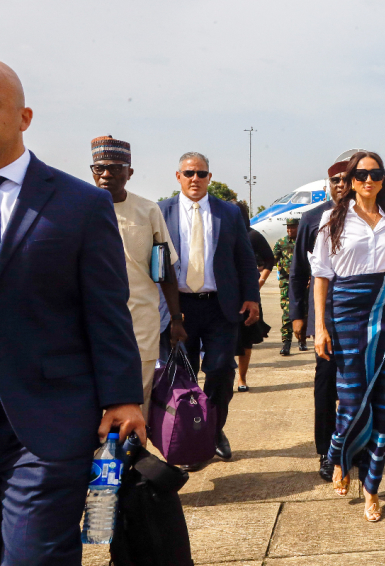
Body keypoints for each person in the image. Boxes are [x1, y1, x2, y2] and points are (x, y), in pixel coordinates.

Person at [0, 61, 146, 564]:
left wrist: (124, 396)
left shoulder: (79, 204)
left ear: (24, 117)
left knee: (31, 556)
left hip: (45, 422)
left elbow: (107, 307)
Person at [311, 151, 385, 523]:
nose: (368, 180)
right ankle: (338, 455)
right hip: (345, 315)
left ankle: (372, 489)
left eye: (375, 174)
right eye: (360, 174)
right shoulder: (332, 219)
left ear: (383, 179)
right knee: (353, 401)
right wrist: (320, 327)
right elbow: (322, 276)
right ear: (351, 180)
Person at [159, 152, 260, 469]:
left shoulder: (228, 213)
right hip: (179, 308)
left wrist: (252, 296)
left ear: (209, 178)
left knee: (220, 370)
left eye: (201, 174)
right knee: (181, 378)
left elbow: (245, 259)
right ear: (178, 176)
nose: (195, 179)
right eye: (189, 173)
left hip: (220, 307)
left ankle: (214, 431)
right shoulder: (161, 212)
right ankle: (188, 437)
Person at [89, 135, 186, 417]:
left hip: (141, 320)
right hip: (93, 321)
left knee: (137, 400)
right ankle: (97, 460)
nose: (107, 174)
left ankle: (132, 458)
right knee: (96, 402)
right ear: (92, 172)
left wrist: (177, 321)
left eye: (116, 167)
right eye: (100, 167)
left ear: (129, 172)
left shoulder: (148, 210)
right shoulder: (79, 209)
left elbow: (164, 270)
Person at [290, 158, 347, 482]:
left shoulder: (365, 216)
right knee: (325, 386)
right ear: (328, 184)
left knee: (357, 387)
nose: (340, 185)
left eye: (345, 179)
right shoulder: (313, 219)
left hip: (359, 315)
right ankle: (326, 452)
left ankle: (350, 446)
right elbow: (298, 272)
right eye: (335, 180)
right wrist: (297, 316)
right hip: (323, 317)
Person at [235, 201, 273, 392]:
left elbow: (269, 259)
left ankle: (242, 378)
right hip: (225, 295)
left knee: (246, 338)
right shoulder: (220, 233)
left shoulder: (253, 236)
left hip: (248, 295)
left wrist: (261, 281)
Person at [273, 218, 301, 356]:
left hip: (302, 283)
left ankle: (302, 339)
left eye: (293, 227)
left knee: (304, 311)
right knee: (286, 312)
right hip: (286, 283)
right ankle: (286, 343)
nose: (290, 230)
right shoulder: (281, 243)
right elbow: (272, 259)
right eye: (288, 228)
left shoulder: (304, 241)